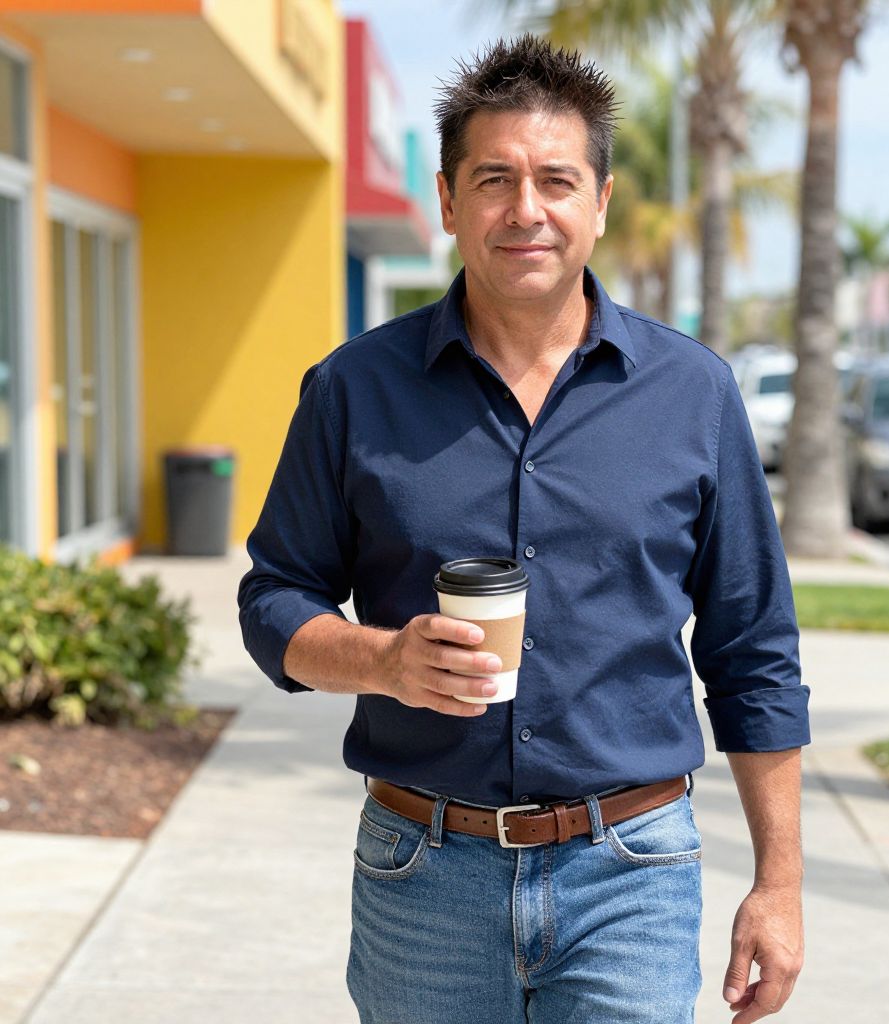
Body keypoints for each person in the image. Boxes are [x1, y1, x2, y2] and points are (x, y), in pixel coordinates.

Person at [238, 34, 809, 1024]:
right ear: (450, 204)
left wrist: (781, 885)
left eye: (555, 179)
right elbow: (272, 599)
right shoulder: (353, 390)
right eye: (493, 179)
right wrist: (382, 660)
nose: (526, 209)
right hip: (421, 876)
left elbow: (751, 650)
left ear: (600, 201)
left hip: (631, 870)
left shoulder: (693, 394)